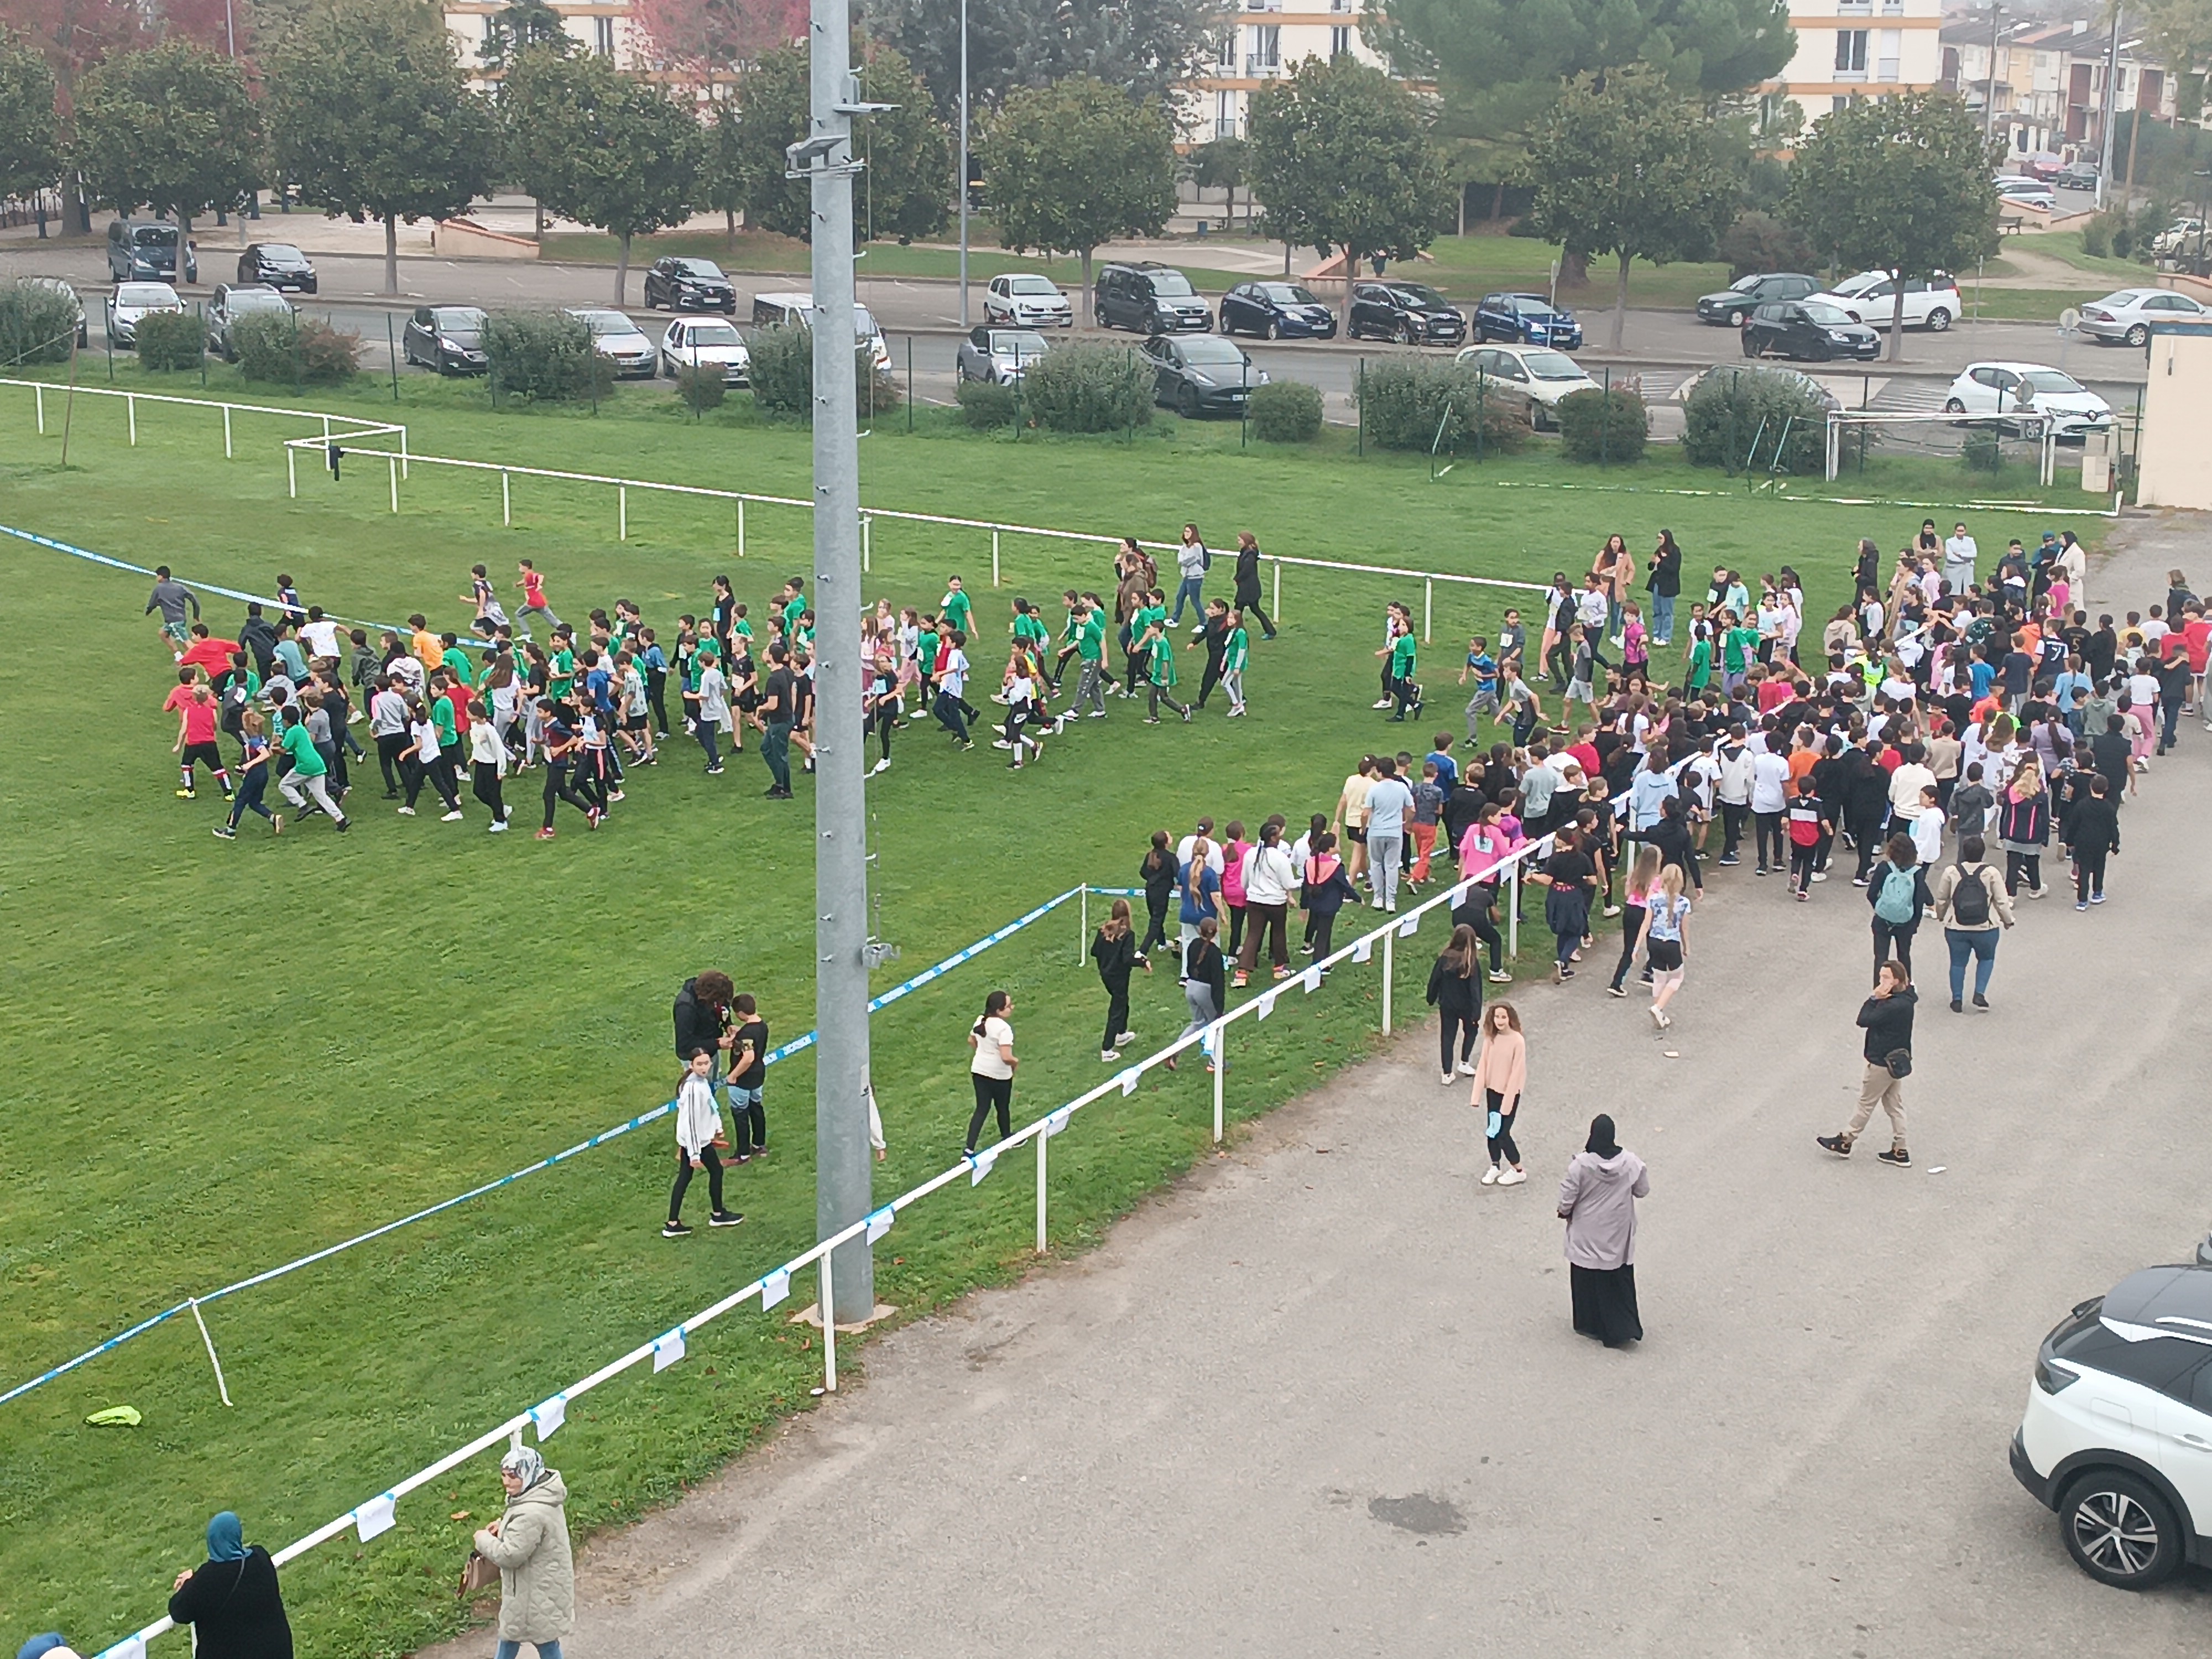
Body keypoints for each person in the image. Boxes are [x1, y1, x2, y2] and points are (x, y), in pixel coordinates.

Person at [473, 1447, 574, 1659]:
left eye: (513, 1476)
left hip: (533, 1593)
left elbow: (510, 1555)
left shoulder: (530, 1513)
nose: (506, 1482)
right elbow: (530, 1533)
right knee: (517, 1635)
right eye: (504, 1475)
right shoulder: (542, 1496)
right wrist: (505, 1526)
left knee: (542, 1642)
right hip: (541, 1585)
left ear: (528, 1474)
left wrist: (483, 1539)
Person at [1557, 1114, 1648, 1348]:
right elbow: (1642, 1190)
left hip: (1587, 1231)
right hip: (1617, 1232)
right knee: (1616, 1278)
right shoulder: (1631, 1163)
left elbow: (1567, 1197)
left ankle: (1589, 1324)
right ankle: (1621, 1329)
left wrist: (1564, 1211)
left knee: (1587, 1276)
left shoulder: (1581, 1165)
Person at [1819, 960, 1916, 1167]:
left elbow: (1863, 1020)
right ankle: (1901, 1149)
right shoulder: (1907, 999)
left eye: (1886, 978)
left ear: (1896, 981)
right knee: (1894, 1105)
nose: (1881, 981)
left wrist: (1874, 999)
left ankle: (1846, 1141)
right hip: (1896, 1061)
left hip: (1881, 1062)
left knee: (1866, 1103)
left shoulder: (1891, 1006)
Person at [167, 1511, 291, 1659]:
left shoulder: (208, 1580)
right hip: (276, 1652)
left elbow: (178, 1610)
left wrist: (190, 1582)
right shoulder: (260, 1559)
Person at [1931, 832, 2013, 1011]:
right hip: (1986, 927)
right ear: (1983, 853)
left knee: (1958, 962)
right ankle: (1980, 994)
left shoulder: (1951, 872)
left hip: (1956, 927)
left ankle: (1957, 999)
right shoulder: (1991, 873)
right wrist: (2007, 920)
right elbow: (2001, 901)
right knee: (1986, 958)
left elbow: (1942, 898)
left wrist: (1941, 915)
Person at [666, 1048, 742, 1237]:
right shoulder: (693, 1088)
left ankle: (674, 1223)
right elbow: (691, 1123)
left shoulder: (700, 1083)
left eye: (706, 1063)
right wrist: (694, 1154)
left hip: (699, 1141)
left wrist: (717, 1127)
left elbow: (710, 1107)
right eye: (699, 1064)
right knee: (713, 1171)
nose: (704, 1067)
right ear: (692, 1065)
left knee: (687, 1178)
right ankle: (717, 1214)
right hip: (697, 1143)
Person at [1472, 1002, 1527, 1185]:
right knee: (1492, 1131)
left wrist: (1507, 1103)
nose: (1500, 1021)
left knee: (1504, 1133)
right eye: (1497, 1017)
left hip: (1509, 1094)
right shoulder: (1491, 1039)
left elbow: (1517, 1073)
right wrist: (1476, 1095)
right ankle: (1495, 1165)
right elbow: (1483, 1065)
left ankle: (1518, 1170)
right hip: (1493, 1092)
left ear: (1510, 1018)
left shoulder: (1518, 1041)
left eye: (1503, 1017)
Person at [1865, 832, 1932, 983]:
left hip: (1883, 920)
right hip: (1905, 922)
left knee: (1881, 958)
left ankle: (1879, 990)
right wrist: (1915, 922)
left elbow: (1872, 893)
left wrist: (1881, 908)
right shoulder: (1917, 873)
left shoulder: (1884, 868)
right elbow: (1919, 900)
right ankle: (1906, 986)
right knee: (1904, 955)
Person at [1425, 924, 1485, 1086]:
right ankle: (1464, 1062)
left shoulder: (1444, 958)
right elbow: (1475, 989)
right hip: (1467, 1006)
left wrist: (1431, 998)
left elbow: (1434, 980)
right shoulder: (1471, 962)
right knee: (1471, 1031)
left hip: (1447, 1004)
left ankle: (1447, 1073)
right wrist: (1477, 1012)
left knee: (1447, 1036)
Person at [1165, 917, 1225, 1073]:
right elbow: (1218, 981)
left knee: (1198, 1024)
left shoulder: (1193, 945)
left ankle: (1175, 1052)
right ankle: (1216, 1063)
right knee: (1215, 1026)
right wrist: (1219, 1007)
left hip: (1190, 987)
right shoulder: (1215, 953)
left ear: (1200, 931)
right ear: (1216, 932)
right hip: (1205, 991)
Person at [965, 990, 1016, 1155]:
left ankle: (969, 1149)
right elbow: (1006, 1057)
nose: (1012, 1008)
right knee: (1002, 1107)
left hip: (979, 1070)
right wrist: (1016, 1062)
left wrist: (983, 1053)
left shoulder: (981, 1020)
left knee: (982, 1109)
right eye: (1008, 1006)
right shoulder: (1004, 1029)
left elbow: (971, 1040)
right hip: (999, 1075)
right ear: (999, 1011)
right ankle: (1007, 1137)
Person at [1363, 756, 1415, 912]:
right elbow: (1412, 809)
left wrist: (1363, 826)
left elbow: (1366, 812)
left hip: (1376, 831)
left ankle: (1378, 898)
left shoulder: (1374, 789)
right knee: (1392, 866)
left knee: (1376, 864)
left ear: (1379, 772)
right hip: (1395, 831)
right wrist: (1408, 823)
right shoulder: (1402, 788)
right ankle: (1390, 901)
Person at [2064, 770, 2121, 910]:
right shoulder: (2109, 807)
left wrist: (2069, 841)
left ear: (2091, 787)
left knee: (2084, 870)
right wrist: (2115, 844)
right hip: (2101, 842)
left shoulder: (2082, 805)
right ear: (2106, 789)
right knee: (2099, 867)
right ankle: (2097, 893)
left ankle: (2082, 900)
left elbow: (2074, 825)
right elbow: (2113, 827)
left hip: (2083, 841)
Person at [1642, 864, 1690, 1030]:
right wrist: (1686, 946)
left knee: (1659, 977)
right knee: (1677, 978)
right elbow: (1683, 928)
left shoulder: (1654, 899)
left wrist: (1636, 947)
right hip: (1671, 943)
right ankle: (1658, 1008)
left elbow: (1647, 924)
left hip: (1654, 942)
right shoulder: (1683, 902)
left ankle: (1659, 1013)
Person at [1092, 899, 1139, 1062]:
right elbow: (1127, 959)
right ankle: (1107, 1049)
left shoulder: (1103, 931)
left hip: (1106, 975)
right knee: (1117, 1010)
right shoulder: (1128, 935)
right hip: (1119, 977)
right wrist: (1143, 962)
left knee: (1123, 1001)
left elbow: (1094, 951)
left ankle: (1122, 1033)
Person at [726, 993, 769, 1161]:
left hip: (743, 1080)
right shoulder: (762, 1026)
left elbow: (748, 1057)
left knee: (740, 1115)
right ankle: (759, 1144)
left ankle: (743, 1154)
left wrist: (733, 1076)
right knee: (756, 1109)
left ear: (741, 1013)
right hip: (758, 1075)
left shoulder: (746, 1034)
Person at [1230, 531, 1276, 639]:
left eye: (1240, 540)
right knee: (1249, 609)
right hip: (1248, 588)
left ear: (1245, 541)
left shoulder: (1250, 554)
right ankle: (1270, 631)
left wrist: (1237, 578)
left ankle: (1234, 630)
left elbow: (1246, 570)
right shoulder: (1248, 552)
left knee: (1241, 609)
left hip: (1248, 589)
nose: (1238, 542)